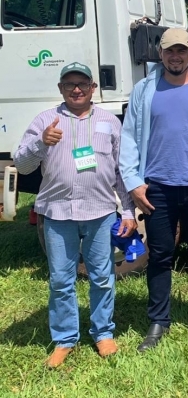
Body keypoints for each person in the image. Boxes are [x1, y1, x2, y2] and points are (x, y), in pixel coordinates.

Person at [15, 62, 137, 368]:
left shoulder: (110, 121)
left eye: (83, 83)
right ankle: (65, 338)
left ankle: (103, 333)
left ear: (93, 88)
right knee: (60, 280)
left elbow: (122, 172)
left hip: (100, 212)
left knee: (103, 278)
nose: (77, 89)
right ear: (60, 89)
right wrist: (41, 143)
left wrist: (128, 211)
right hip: (57, 214)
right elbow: (23, 164)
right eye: (69, 84)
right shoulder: (46, 120)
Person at [120, 28, 188, 352]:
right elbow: (128, 139)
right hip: (157, 187)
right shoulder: (143, 90)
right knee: (160, 255)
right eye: (170, 51)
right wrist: (134, 184)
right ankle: (158, 320)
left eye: (182, 51)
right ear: (161, 54)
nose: (176, 56)